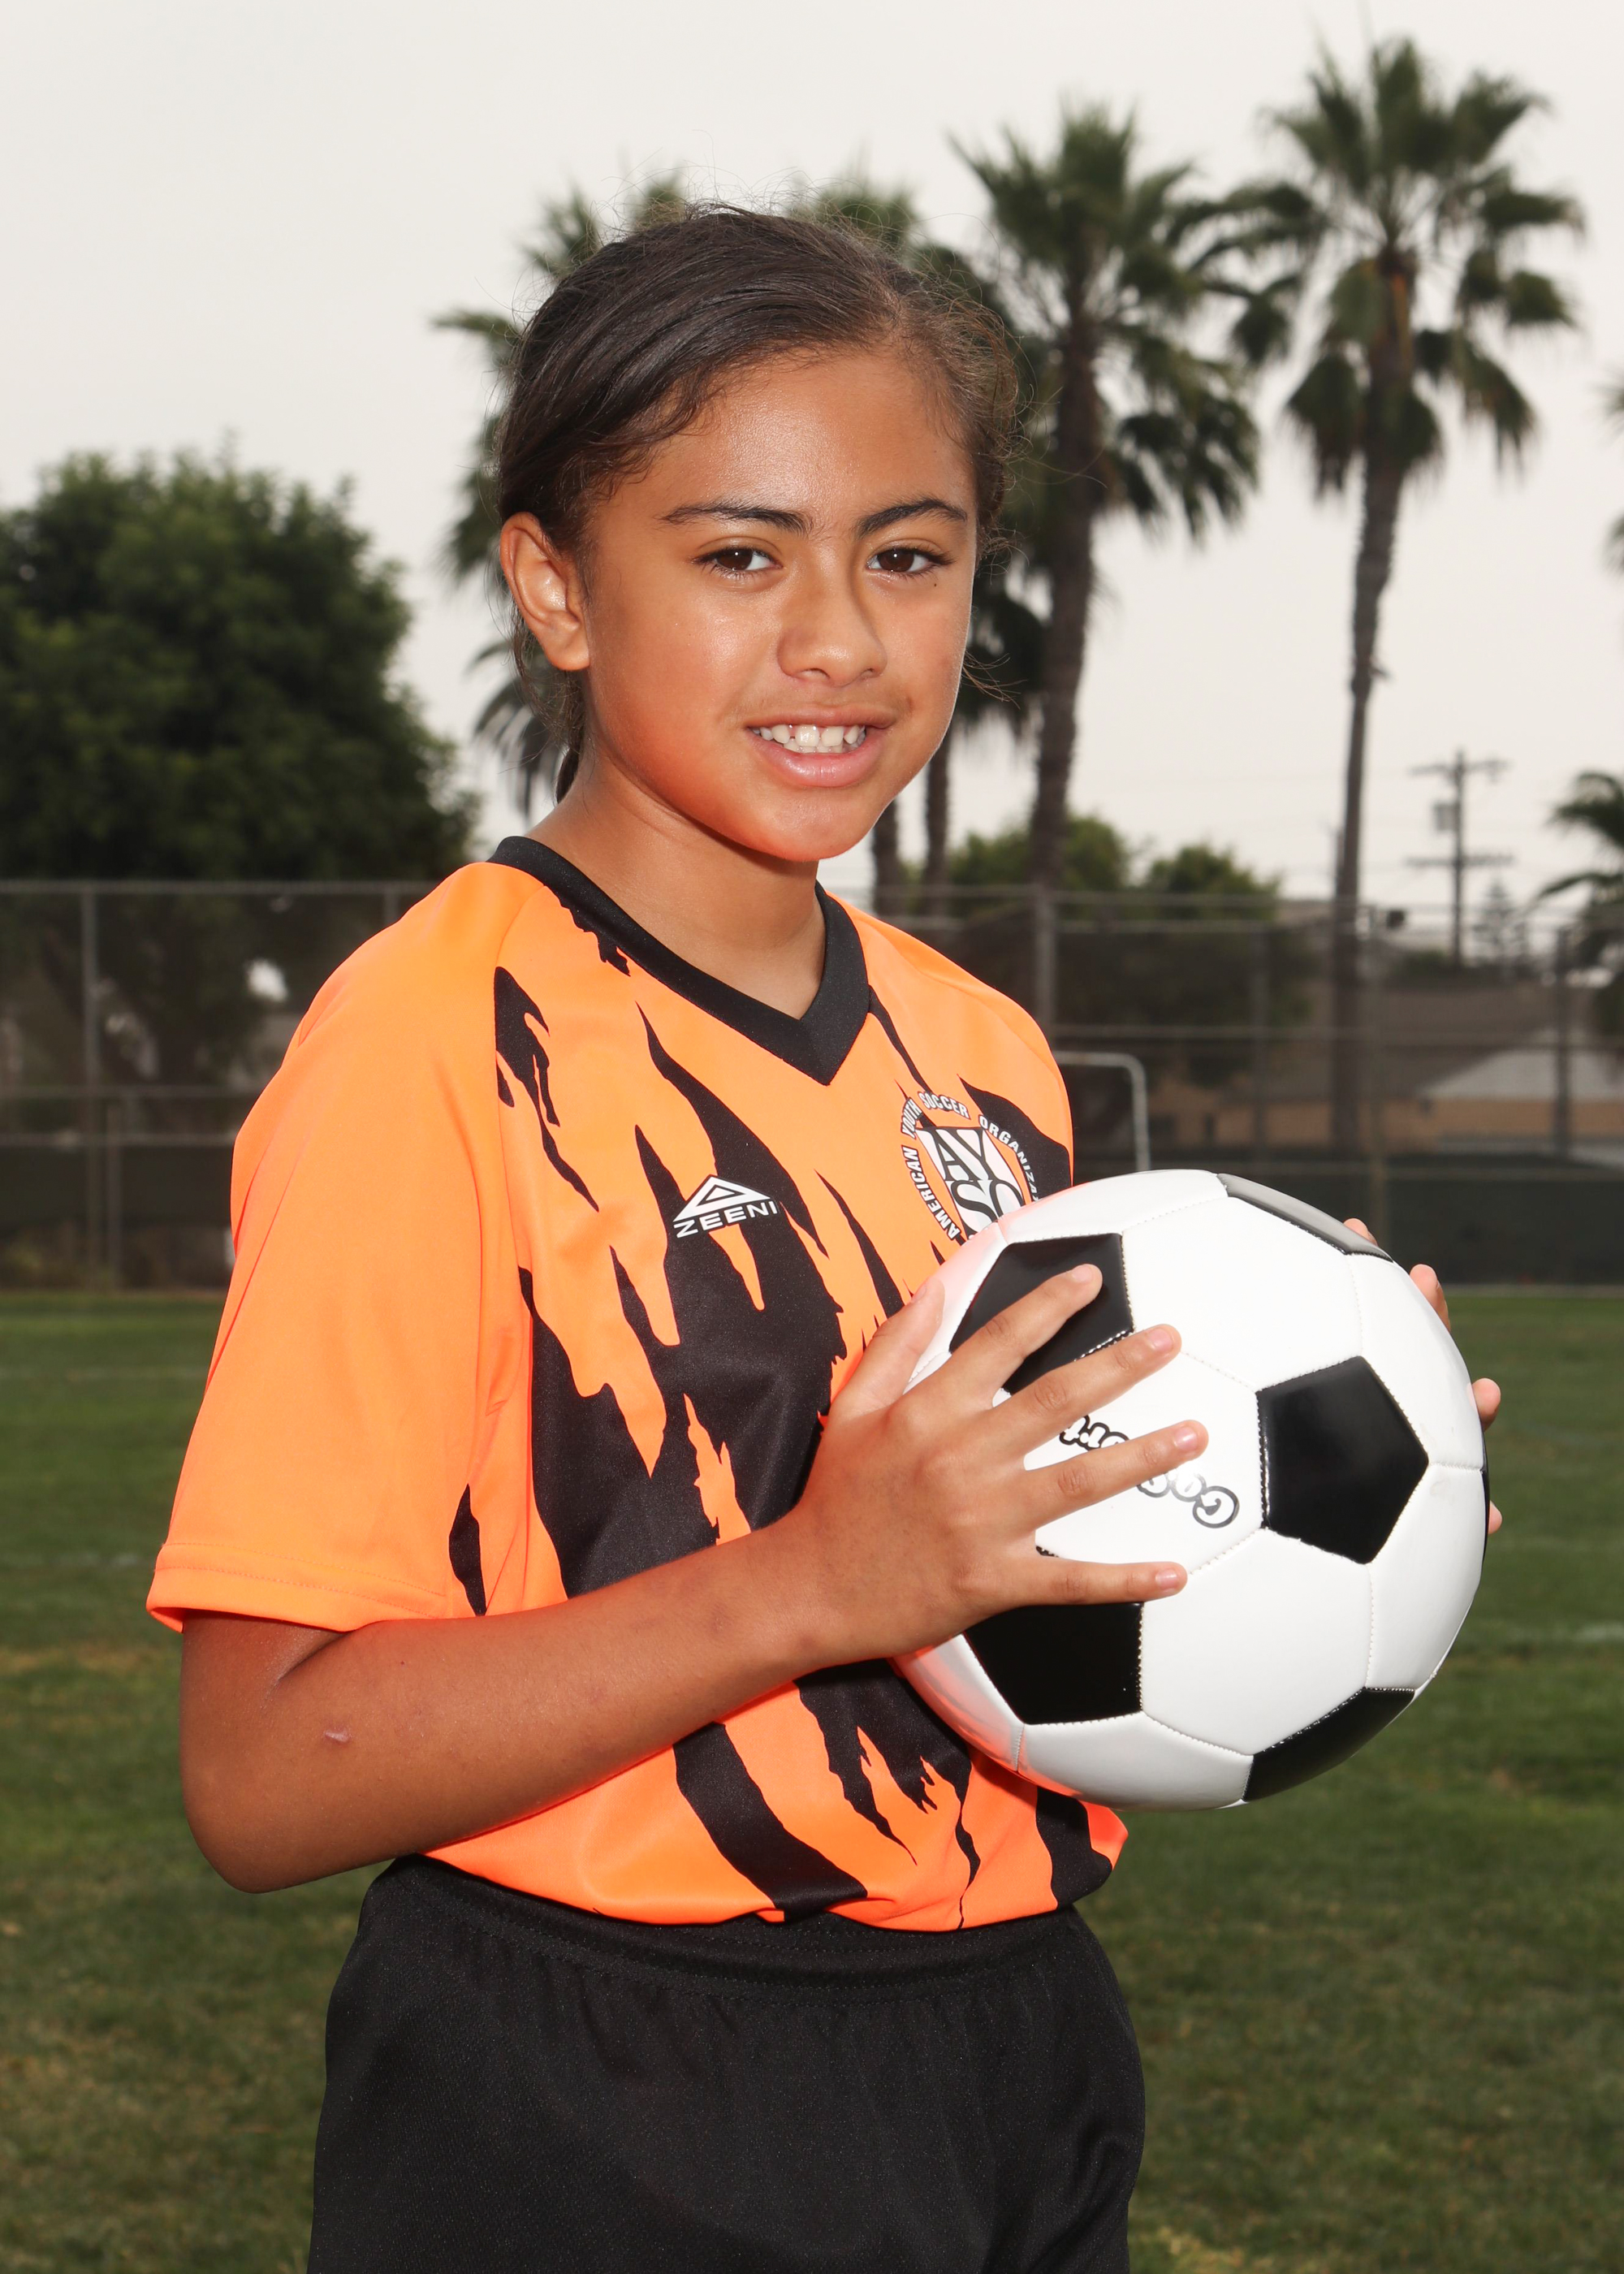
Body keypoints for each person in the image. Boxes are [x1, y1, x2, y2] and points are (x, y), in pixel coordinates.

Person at [149, 206, 1501, 2274]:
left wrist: (1284, 1442)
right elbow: (261, 1772)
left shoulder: (982, 1050)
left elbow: (994, 1562)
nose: (842, 642)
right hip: (600, 2085)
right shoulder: (438, 1035)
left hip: (1015, 2039)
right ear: (556, 587)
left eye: (909, 554)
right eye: (738, 555)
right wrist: (809, 1582)